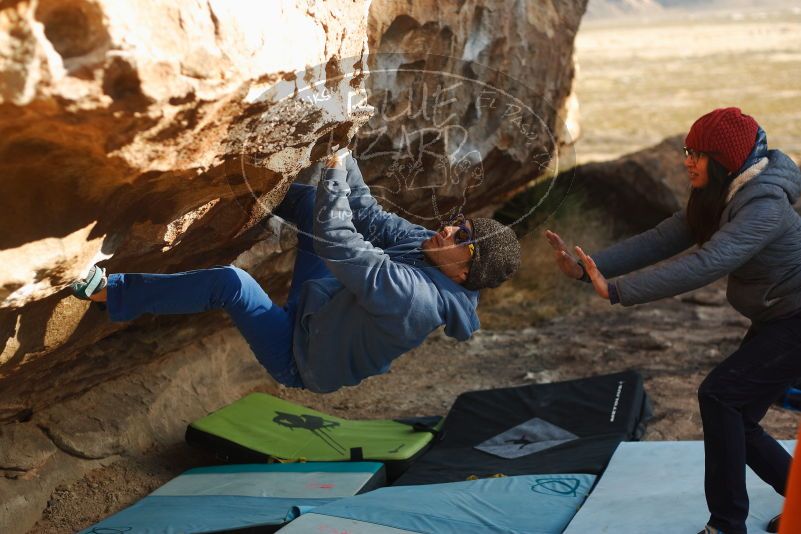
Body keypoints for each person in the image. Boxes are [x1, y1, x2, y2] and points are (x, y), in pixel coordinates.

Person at [71, 148, 521, 393]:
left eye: (461, 239)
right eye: (460, 225)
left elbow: (338, 238)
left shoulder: (416, 301)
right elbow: (367, 213)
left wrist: (332, 170)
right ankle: (232, 188)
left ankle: (111, 293)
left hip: (300, 358)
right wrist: (343, 151)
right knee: (308, 201)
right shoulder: (426, 250)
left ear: (464, 275)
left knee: (232, 283)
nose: (448, 230)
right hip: (318, 306)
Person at [546, 107, 801, 534]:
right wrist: (587, 268)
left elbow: (708, 262)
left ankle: (725, 525)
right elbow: (663, 238)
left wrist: (619, 292)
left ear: (724, 161)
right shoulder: (723, 196)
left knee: (720, 398)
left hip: (795, 320)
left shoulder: (764, 206)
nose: (687, 161)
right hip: (780, 317)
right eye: (687, 150)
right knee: (736, 414)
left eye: (698, 154)